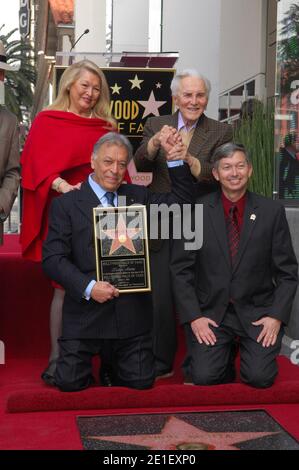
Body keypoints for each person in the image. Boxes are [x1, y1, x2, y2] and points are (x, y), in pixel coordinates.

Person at [42, 132, 194, 392]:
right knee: (69, 383)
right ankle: (97, 362)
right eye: (108, 162)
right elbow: (53, 260)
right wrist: (89, 287)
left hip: (130, 314)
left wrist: (176, 159)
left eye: (122, 164)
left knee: (140, 382)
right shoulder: (66, 205)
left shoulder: (137, 196)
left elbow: (181, 203)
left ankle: (112, 363)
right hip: (86, 314)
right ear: (93, 161)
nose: (114, 170)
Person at [20, 60, 121, 385]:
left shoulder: (106, 127)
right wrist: (64, 187)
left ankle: (108, 363)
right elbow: (33, 165)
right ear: (69, 86)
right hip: (66, 211)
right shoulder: (48, 120)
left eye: (96, 88)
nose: (90, 93)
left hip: (103, 214)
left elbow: (120, 169)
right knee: (65, 287)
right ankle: (57, 359)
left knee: (108, 283)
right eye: (84, 86)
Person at [171, 142, 298, 388]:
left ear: (249, 170)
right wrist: (195, 317)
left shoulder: (272, 212)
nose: (234, 173)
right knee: (205, 377)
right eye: (227, 167)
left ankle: (245, 352)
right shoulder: (195, 212)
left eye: (240, 166)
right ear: (216, 174)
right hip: (212, 313)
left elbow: (288, 273)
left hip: (258, 313)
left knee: (259, 378)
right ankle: (222, 355)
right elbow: (181, 270)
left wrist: (275, 316)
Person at [134, 69, 233, 377]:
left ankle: (199, 362)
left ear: (206, 97)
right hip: (163, 219)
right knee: (161, 294)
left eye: (199, 95)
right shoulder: (155, 124)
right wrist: (154, 145)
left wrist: (188, 158)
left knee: (199, 291)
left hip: (201, 219)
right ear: (175, 98)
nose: (194, 101)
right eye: (187, 95)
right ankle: (161, 362)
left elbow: (217, 171)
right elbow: (139, 163)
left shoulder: (220, 131)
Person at [0, 40, 20, 245]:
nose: (1, 78)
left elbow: (13, 171)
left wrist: (2, 202)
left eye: (2, 73)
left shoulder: (10, 121)